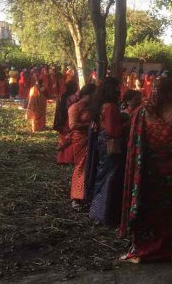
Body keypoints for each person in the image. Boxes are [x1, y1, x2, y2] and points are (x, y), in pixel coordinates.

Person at [119, 77, 172, 263]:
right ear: (171, 93)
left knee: (148, 208)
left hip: (148, 172)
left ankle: (142, 251)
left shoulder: (141, 113)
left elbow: (133, 143)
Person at [87, 78, 128, 226]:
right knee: (108, 178)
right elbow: (112, 130)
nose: (119, 91)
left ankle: (99, 212)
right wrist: (126, 124)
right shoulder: (110, 107)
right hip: (110, 145)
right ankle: (103, 213)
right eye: (118, 88)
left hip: (102, 143)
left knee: (103, 175)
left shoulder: (102, 105)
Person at [67, 83, 97, 211]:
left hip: (91, 139)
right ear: (86, 94)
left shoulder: (92, 107)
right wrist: (88, 126)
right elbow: (72, 125)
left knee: (90, 166)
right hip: (80, 140)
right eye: (93, 94)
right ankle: (76, 197)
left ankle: (87, 195)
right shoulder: (75, 107)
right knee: (80, 166)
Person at [53, 81, 79, 165]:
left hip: (61, 120)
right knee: (70, 138)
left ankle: (61, 158)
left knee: (63, 138)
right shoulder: (74, 97)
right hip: (69, 119)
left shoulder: (62, 97)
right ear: (74, 88)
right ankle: (69, 159)